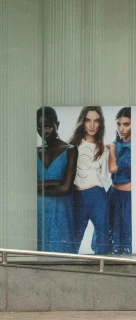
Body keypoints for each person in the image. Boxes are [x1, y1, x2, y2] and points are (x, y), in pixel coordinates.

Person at [36, 106, 78, 253]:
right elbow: (26, 187)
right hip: (38, 213)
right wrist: (55, 182)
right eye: (39, 128)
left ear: (57, 125)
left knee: (62, 255)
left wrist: (37, 187)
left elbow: (66, 189)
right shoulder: (36, 151)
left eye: (48, 126)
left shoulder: (70, 149)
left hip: (60, 212)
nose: (44, 132)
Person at [69, 106, 110, 254]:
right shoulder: (72, 145)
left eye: (96, 121)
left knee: (103, 239)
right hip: (77, 197)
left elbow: (105, 177)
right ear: (82, 122)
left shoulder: (104, 149)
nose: (92, 125)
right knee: (73, 239)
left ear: (101, 124)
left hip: (97, 196)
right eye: (88, 120)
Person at [107, 108, 132, 254]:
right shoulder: (118, 143)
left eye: (126, 124)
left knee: (125, 239)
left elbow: (112, 168)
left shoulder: (132, 146)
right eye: (119, 124)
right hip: (113, 194)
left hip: (127, 197)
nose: (121, 128)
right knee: (110, 238)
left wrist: (111, 149)